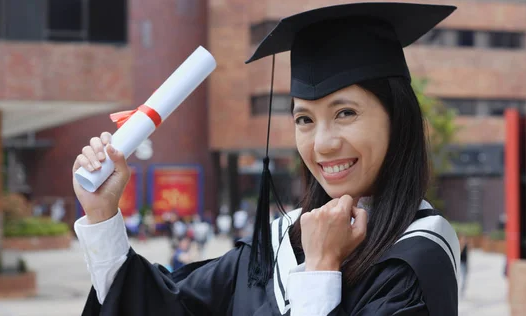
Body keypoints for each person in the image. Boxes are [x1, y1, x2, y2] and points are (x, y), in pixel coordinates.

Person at [72, 2, 460, 315]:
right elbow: (165, 306)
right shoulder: (278, 245)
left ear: (398, 119)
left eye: (345, 113)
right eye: (304, 119)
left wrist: (321, 268)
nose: (322, 144)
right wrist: (103, 216)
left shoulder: (417, 259)